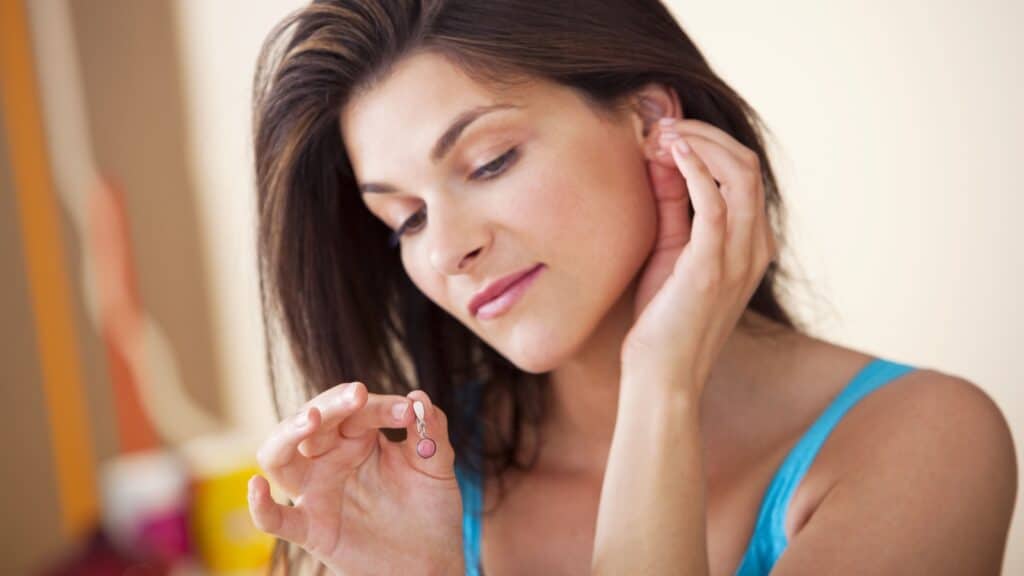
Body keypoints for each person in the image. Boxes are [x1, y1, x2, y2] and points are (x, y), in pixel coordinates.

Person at [245, 1, 1018, 574]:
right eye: (404, 219)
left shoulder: (924, 444)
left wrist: (660, 382)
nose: (448, 249)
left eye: (490, 163)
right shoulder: (406, 490)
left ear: (651, 119)